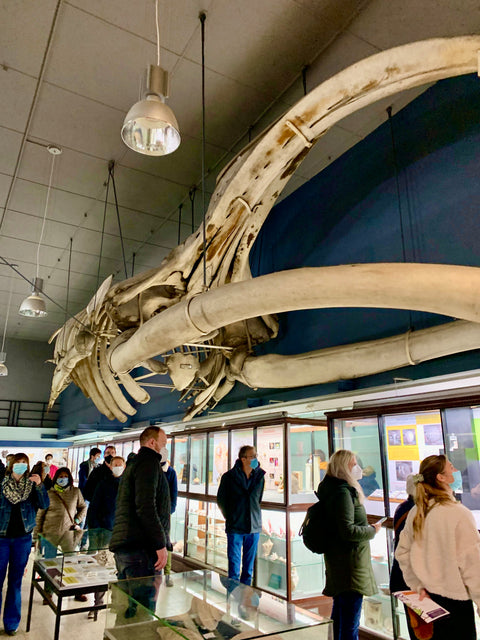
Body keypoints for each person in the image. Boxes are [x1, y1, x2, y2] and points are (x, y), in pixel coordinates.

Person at [396, 454, 480, 639]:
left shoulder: (416, 512)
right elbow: (472, 565)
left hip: (427, 602)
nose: (456, 471)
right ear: (440, 477)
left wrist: (418, 586)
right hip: (456, 605)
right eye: (451, 467)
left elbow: (402, 553)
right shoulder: (459, 514)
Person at [316, 449, 381, 640]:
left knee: (341, 614)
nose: (357, 468)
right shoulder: (342, 492)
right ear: (345, 467)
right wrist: (372, 530)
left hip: (340, 561)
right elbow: (347, 530)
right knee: (350, 621)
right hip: (350, 563)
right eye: (353, 464)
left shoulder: (332, 488)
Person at [110, 427, 171, 612]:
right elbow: (146, 507)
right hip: (141, 551)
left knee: (126, 612)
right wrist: (160, 545)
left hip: (128, 549)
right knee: (142, 615)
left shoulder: (135, 464)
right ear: (152, 443)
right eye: (164, 443)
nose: (165, 448)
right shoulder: (148, 463)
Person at [0, 452, 49, 635]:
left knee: (15, 582)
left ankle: (11, 623)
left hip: (22, 539)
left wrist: (40, 486)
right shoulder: (2, 483)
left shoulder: (32, 486)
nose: (20, 465)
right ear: (11, 465)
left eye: (24, 463)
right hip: (1, 539)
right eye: (17, 462)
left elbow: (44, 504)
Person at [35, 467, 88, 603]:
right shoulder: (48, 493)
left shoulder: (75, 492)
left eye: (65, 476)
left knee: (71, 563)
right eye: (60, 476)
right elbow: (40, 516)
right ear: (55, 478)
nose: (62, 478)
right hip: (50, 534)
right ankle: (48, 593)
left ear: (69, 478)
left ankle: (76, 591)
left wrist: (77, 520)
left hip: (68, 533)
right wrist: (36, 536)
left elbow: (83, 507)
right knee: (50, 564)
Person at [217, 445, 265, 586]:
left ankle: (245, 600)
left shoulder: (260, 477)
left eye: (256, 456)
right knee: (234, 567)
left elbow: (258, 499)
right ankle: (233, 599)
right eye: (252, 456)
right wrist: (231, 516)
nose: (255, 459)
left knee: (249, 569)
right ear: (243, 459)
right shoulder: (229, 477)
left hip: (253, 526)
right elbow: (221, 500)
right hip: (235, 526)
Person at [87, 456, 125, 620]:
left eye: (120, 465)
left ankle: (117, 603)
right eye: (115, 465)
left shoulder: (128, 485)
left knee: (120, 569)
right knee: (101, 567)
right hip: (103, 532)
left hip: (122, 533)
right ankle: (97, 603)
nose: (117, 467)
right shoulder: (103, 483)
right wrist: (95, 529)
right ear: (110, 466)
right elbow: (94, 507)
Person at [389, 474, 416, 640]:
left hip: (401, 577)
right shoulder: (417, 510)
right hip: (412, 578)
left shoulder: (402, 507)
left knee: (414, 623)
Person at [161, 455, 178, 587]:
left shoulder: (170, 472)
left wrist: (169, 511)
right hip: (151, 512)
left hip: (164, 514)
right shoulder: (151, 469)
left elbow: (174, 493)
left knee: (166, 542)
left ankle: (167, 574)